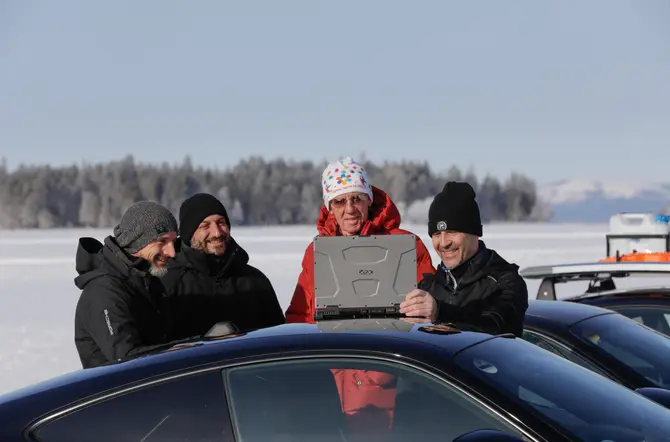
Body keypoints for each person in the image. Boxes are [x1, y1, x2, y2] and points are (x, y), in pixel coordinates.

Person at [285, 156, 435, 436]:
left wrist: (432, 309)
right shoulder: (316, 253)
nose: (350, 209)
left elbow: (433, 313)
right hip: (331, 394)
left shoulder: (406, 246)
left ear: (370, 200)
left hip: (392, 391)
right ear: (329, 207)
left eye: (357, 198)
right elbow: (298, 319)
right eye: (340, 201)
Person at [399, 181, 529, 337]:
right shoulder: (428, 287)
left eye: (452, 232)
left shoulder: (505, 283)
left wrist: (440, 312)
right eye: (436, 234)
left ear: (474, 232)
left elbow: (496, 327)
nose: (444, 243)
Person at [161, 193, 285, 341]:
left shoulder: (254, 282)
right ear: (189, 234)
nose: (217, 233)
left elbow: (277, 340)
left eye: (221, 223)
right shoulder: (168, 284)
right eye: (205, 226)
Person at [74, 201, 179, 369]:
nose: (172, 252)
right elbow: (128, 360)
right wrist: (186, 348)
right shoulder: (104, 292)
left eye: (173, 241)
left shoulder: (145, 279)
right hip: (121, 394)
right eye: (163, 241)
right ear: (137, 241)